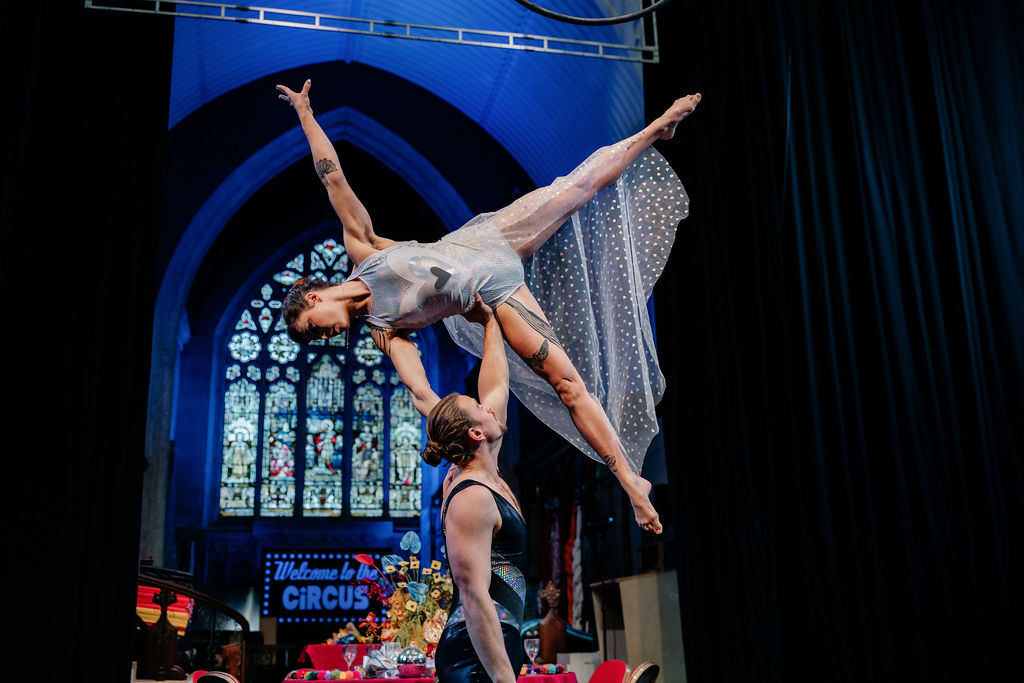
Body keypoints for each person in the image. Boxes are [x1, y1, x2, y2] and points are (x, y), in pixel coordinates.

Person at [277, 79, 701, 534]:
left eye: (313, 327)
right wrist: (456, 433)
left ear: (314, 296)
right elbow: (422, 393)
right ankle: (629, 480)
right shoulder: (385, 329)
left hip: (488, 242)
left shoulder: (365, 250)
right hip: (497, 301)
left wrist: (305, 114)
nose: (324, 337)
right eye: (317, 339)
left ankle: (658, 127)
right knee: (568, 384)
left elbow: (332, 176)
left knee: (576, 187)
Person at [425, 295, 525, 683]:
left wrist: (490, 323)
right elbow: (473, 597)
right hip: (473, 656)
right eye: (480, 407)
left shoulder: (486, 474)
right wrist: (504, 680)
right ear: (475, 433)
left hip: (498, 644)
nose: (490, 407)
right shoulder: (471, 497)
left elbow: (498, 381)